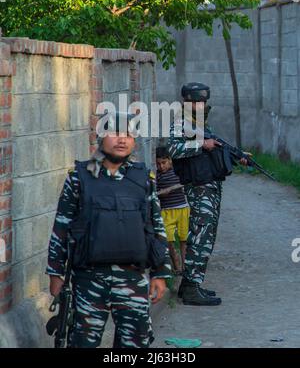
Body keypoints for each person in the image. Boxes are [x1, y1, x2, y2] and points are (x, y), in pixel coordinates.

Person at [46, 112, 172, 348]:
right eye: (114, 133)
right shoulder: (79, 178)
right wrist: (55, 274)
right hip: (89, 280)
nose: (122, 140)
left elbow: (156, 227)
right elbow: (61, 227)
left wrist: (161, 273)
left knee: (135, 345)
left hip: (133, 279)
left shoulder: (144, 179)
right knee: (82, 343)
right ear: (100, 137)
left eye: (128, 134)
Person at [167, 82, 248, 306]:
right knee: (200, 237)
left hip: (209, 187)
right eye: (196, 101)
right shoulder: (179, 122)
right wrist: (202, 144)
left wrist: (237, 156)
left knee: (206, 236)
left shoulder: (199, 124)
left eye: (203, 102)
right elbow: (172, 149)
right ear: (187, 102)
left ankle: (189, 285)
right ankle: (192, 288)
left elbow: (214, 148)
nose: (200, 105)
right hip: (198, 189)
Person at [156, 146, 190, 275]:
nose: (161, 167)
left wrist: (176, 187)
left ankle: (185, 268)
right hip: (167, 212)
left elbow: (186, 182)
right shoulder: (157, 175)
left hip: (182, 209)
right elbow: (155, 192)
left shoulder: (178, 170)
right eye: (158, 164)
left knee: (183, 239)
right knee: (168, 240)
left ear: (170, 160)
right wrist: (161, 193)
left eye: (164, 163)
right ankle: (177, 266)